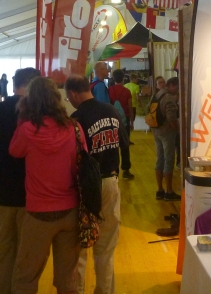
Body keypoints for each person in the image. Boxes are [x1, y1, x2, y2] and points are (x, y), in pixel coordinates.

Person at [9, 77, 85, 294]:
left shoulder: (27, 130)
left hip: (38, 213)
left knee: (25, 277)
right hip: (70, 210)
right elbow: (83, 160)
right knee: (67, 279)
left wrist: (22, 118)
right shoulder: (74, 128)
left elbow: (14, 151)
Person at [65, 74, 128, 294]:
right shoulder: (111, 110)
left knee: (80, 249)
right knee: (106, 249)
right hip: (111, 181)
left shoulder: (76, 118)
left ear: (73, 94)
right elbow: (124, 142)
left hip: (87, 187)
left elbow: (72, 156)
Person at [0, 67, 40, 294]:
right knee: (27, 257)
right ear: (33, 85)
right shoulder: (38, 114)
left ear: (15, 83)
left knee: (4, 253)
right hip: (31, 196)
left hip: (3, 194)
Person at [152, 77, 180, 201]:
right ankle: (169, 191)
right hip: (167, 132)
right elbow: (171, 117)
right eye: (177, 87)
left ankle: (159, 190)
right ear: (172, 85)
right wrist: (177, 129)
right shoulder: (169, 98)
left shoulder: (156, 95)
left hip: (156, 131)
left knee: (160, 159)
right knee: (169, 160)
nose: (178, 90)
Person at [108, 69, 134, 179]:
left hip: (111, 121)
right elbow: (130, 108)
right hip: (124, 121)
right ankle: (126, 170)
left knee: (112, 146)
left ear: (113, 78)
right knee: (125, 146)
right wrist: (131, 122)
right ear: (123, 78)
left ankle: (114, 170)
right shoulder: (127, 91)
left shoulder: (109, 90)